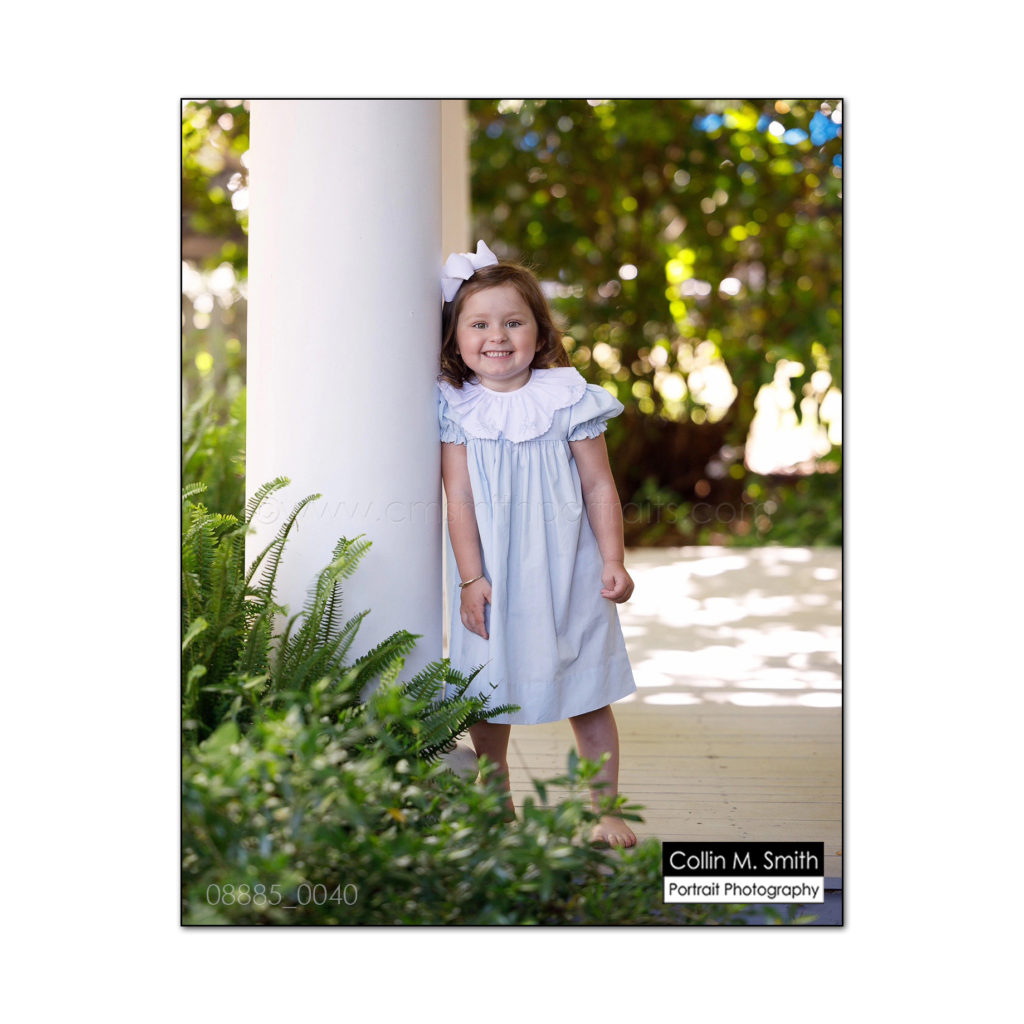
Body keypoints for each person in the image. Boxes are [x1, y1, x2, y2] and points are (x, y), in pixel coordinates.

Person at [437, 240, 638, 848]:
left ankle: (605, 809)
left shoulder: (568, 397)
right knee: (486, 690)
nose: (496, 336)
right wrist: (471, 579)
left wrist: (612, 559)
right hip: (492, 573)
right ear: (455, 338)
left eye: (513, 322)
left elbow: (599, 484)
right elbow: (458, 498)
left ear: (539, 331)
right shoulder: (456, 407)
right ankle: (496, 797)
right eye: (478, 324)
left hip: (570, 568)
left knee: (588, 690)